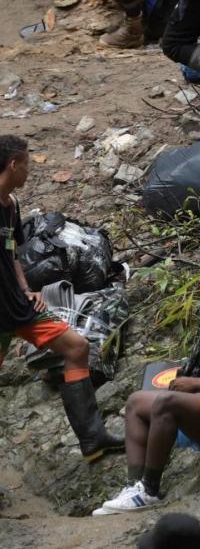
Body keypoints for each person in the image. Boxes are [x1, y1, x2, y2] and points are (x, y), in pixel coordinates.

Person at [93, 261, 200, 514]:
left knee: (165, 403)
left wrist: (195, 384)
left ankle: (149, 490)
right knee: (136, 402)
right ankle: (134, 486)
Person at [0, 135, 123, 461]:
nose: (29, 171)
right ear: (13, 165)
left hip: (17, 307)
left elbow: (12, 253)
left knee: (77, 347)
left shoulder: (10, 206)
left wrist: (26, 289)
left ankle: (92, 438)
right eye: (26, 164)